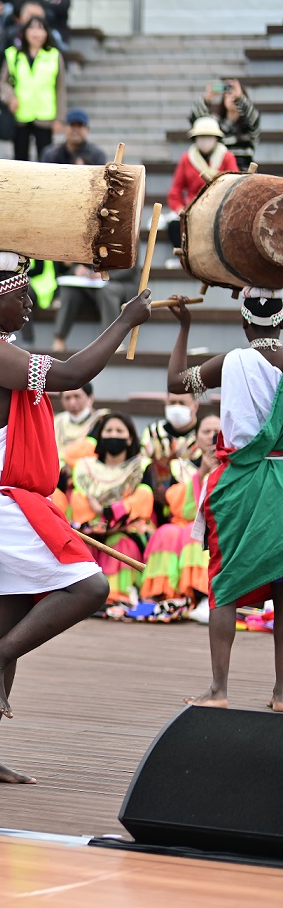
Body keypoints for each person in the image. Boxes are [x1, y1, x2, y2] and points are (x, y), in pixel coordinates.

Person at [0, 250, 150, 783]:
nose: (32, 303)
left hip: (0, 501)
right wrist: (123, 320)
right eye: (20, 294)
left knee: (5, 627)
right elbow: (72, 373)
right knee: (90, 588)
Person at [162, 291, 283, 708]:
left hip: (241, 483)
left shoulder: (232, 362)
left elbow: (176, 383)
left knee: (224, 584)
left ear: (245, 324)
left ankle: (219, 690)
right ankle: (282, 693)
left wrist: (184, 327)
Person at [69, 412, 155, 607]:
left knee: (120, 544)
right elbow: (79, 502)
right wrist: (97, 515)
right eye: (108, 430)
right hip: (89, 529)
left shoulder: (141, 466)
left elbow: (143, 501)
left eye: (119, 430)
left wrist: (106, 511)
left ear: (130, 437)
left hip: (127, 530)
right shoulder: (84, 466)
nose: (113, 435)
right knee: (82, 546)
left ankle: (117, 595)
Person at [141, 415, 219, 613]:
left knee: (194, 534)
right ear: (197, 437)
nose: (212, 436)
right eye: (206, 432)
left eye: (217, 431)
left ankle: (201, 595)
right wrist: (201, 473)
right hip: (184, 521)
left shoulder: (234, 463)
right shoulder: (178, 466)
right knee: (166, 532)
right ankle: (164, 594)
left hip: (219, 524)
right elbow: (175, 502)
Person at [167, 115, 239, 251]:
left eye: (209, 137)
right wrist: (180, 209)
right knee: (174, 225)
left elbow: (233, 186)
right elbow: (175, 191)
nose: (205, 142)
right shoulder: (186, 159)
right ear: (195, 139)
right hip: (192, 208)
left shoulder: (227, 157)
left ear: (216, 139)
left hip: (219, 208)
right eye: (201, 138)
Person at [1, 16, 64, 162]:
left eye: (41, 28)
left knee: (46, 159)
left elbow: (60, 88)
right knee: (20, 158)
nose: (36, 33)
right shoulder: (13, 54)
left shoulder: (54, 55)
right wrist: (10, 97)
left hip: (45, 113)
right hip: (20, 113)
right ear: (24, 31)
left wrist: (60, 118)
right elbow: (3, 81)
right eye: (32, 28)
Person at [190, 78, 261, 170]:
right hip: (221, 175)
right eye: (228, 94)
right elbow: (196, 120)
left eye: (235, 95)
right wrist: (207, 98)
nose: (232, 97)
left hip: (244, 175)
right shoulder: (215, 124)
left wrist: (239, 97)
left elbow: (253, 115)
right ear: (223, 99)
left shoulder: (249, 125)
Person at [141, 391, 201, 496]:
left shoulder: (204, 433)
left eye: (182, 403)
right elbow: (142, 464)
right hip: (155, 499)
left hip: (192, 497)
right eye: (172, 402)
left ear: (195, 406)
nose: (176, 407)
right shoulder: (153, 432)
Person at [39, 108, 107, 166]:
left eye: (79, 126)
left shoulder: (97, 155)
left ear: (87, 129)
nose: (75, 130)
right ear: (64, 128)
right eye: (72, 125)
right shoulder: (51, 155)